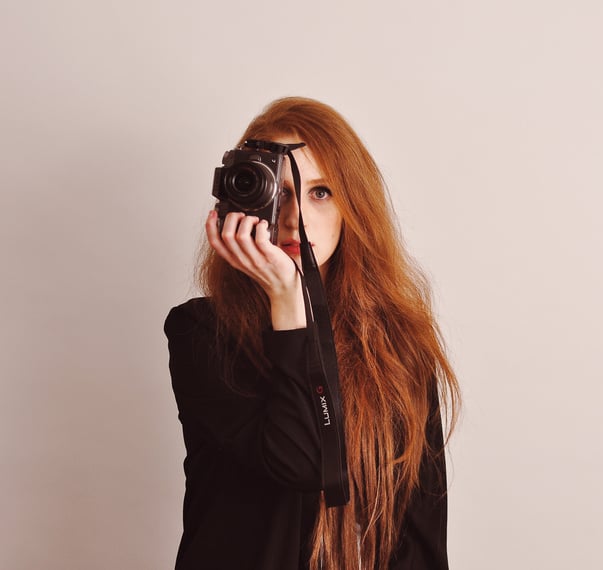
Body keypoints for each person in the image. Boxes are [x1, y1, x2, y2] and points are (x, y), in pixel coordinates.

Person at [164, 97, 460, 570]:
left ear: (353, 205)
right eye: (276, 191)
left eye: (320, 192)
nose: (294, 215)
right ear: (242, 200)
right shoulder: (202, 333)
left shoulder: (398, 344)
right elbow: (300, 463)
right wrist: (287, 298)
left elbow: (422, 536)